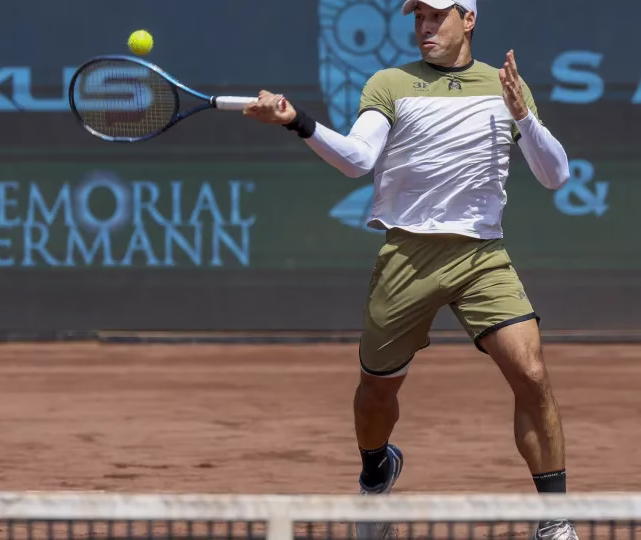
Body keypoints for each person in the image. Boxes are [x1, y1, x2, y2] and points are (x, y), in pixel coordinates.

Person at [243, 0, 578, 538]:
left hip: (481, 258)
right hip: (407, 257)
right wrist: (297, 121)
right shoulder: (389, 84)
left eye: (437, 16)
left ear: (468, 20)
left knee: (532, 375)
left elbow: (555, 176)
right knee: (376, 393)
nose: (425, 27)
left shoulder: (506, 87)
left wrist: (523, 115)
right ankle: (376, 474)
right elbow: (357, 159)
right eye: (418, 17)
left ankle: (555, 522)